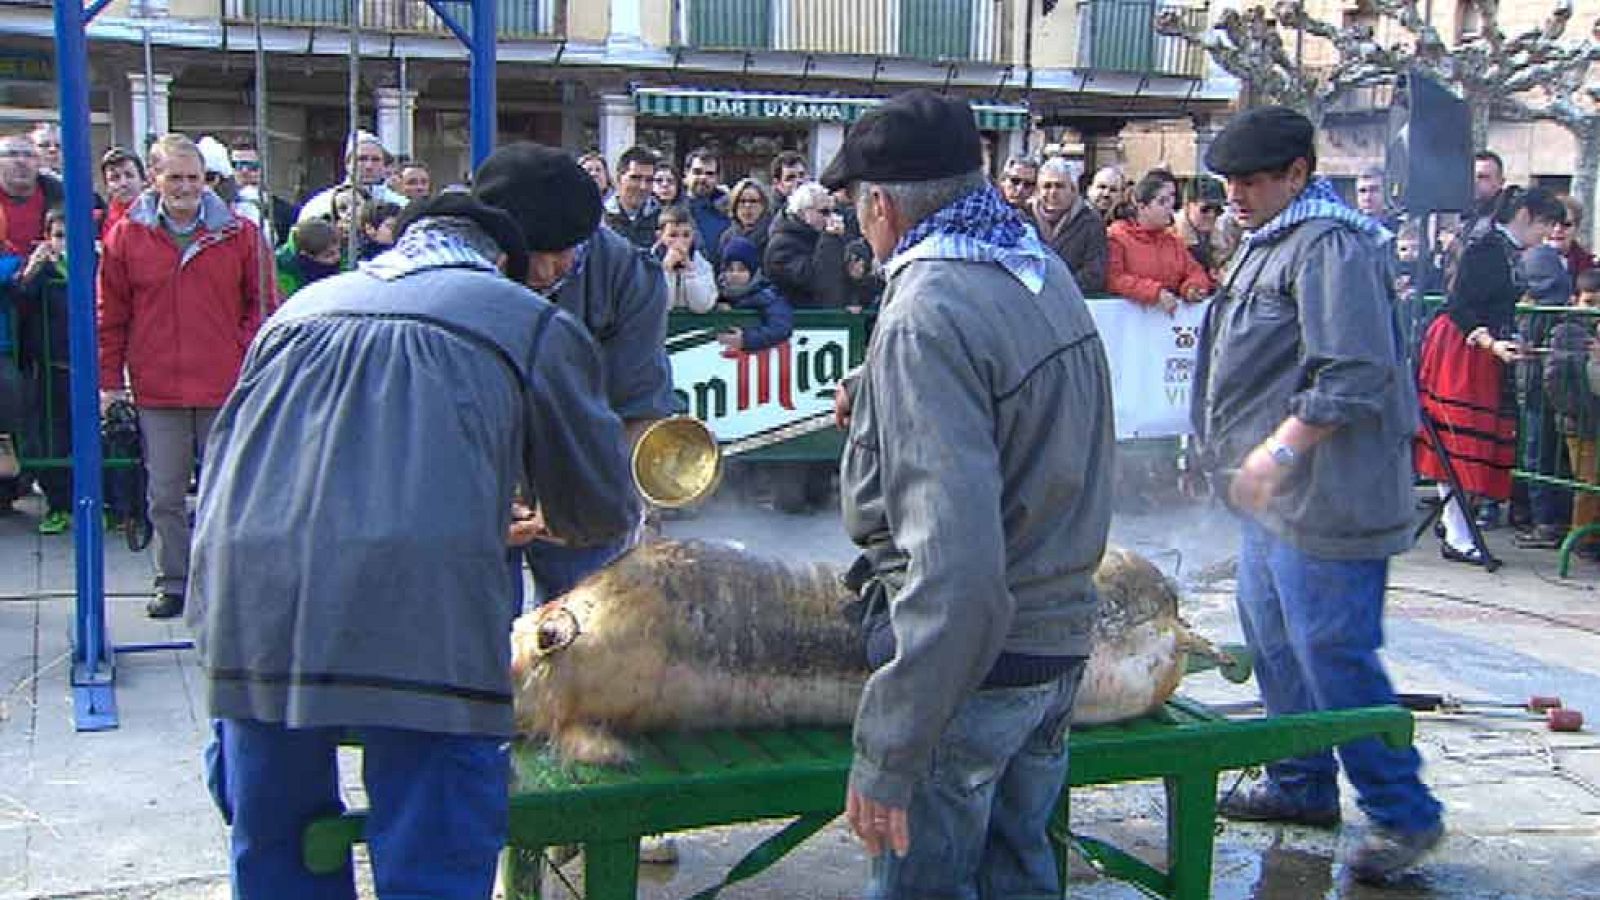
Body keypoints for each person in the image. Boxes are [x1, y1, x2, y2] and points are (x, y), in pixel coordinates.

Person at [188, 179, 638, 899]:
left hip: (248, 593)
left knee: (275, 838)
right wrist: (545, 516)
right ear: (506, 263)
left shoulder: (300, 307)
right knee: (433, 845)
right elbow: (600, 506)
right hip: (419, 608)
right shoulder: (526, 320)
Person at [822, 88, 1114, 898]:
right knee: (1018, 876)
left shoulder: (927, 309)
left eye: (856, 207)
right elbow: (1016, 403)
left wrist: (890, 749)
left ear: (880, 205)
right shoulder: (1034, 269)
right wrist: (879, 385)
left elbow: (955, 570)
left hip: (976, 669)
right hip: (1055, 644)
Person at [1194, 105, 1444, 884]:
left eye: (1250, 179)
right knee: (1273, 641)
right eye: (1228, 180)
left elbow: (1353, 371)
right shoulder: (1271, 240)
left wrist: (1277, 451)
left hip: (1328, 496)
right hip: (1277, 503)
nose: (1234, 193)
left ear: (1298, 174)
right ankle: (1301, 783)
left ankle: (1404, 815)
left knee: (1333, 653)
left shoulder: (1331, 245)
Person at [481, 144, 675, 601]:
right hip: (483, 469)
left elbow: (639, 405)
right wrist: (480, 498)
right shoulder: (463, 273)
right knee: (482, 634)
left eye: (572, 250)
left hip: (583, 465)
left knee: (589, 626)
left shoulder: (628, 272)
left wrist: (583, 497)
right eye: (542, 253)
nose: (559, 267)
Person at [97, 133, 276, 620]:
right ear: (154, 178)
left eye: (194, 178)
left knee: (229, 491)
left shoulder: (240, 234)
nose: (185, 187)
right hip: (157, 387)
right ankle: (172, 580)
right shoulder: (126, 236)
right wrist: (111, 383)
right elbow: (110, 314)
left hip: (223, 386)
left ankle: (224, 581)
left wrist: (241, 358)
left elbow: (262, 307)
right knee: (165, 494)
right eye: (174, 177)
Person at [1416, 186, 1567, 562]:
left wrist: (1507, 340)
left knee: (1475, 441)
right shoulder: (1487, 247)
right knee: (1460, 440)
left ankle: (1458, 527)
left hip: (1478, 348)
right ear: (1526, 216)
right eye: (1544, 226)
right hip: (1461, 347)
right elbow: (1462, 305)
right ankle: (1457, 530)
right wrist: (1490, 343)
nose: (1545, 237)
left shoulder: (1503, 250)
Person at [0, 132, 63, 510]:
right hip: (9, 313)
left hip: (46, 313)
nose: (21, 162)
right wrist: (16, 270)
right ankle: (9, 485)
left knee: (45, 400)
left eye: (27, 154)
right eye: (11, 155)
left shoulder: (58, 194)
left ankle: (45, 480)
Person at [1515, 200, 1577, 550]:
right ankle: (1545, 518)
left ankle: (1546, 522)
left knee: (1541, 450)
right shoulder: (1544, 260)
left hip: (1544, 372)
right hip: (1542, 371)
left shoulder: (1539, 260)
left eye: (1564, 225)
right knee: (1541, 449)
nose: (1556, 231)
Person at [1544, 268, 1600, 560]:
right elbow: (1555, 380)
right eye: (1589, 302)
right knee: (1587, 482)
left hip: (1589, 417)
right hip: (1580, 420)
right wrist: (1574, 412)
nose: (1595, 310)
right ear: (1576, 300)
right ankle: (1584, 537)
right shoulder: (1567, 332)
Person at [1106, 170, 1213, 314]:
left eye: (1171, 201)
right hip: (1128, 324)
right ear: (1142, 207)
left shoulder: (1173, 241)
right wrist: (1155, 292)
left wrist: (1192, 288)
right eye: (1162, 202)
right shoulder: (1117, 236)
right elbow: (1114, 278)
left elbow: (1195, 271)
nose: (1170, 207)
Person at [1027, 156, 1106, 294]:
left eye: (1059, 186)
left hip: (1072, 300)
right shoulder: (1022, 219)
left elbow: (1094, 274)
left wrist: (1055, 290)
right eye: (1047, 186)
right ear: (1038, 190)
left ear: (1074, 190)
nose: (1053, 192)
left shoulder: (1091, 222)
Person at [764, 180, 846, 308]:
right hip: (798, 321)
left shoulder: (823, 236)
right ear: (803, 212)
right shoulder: (781, 245)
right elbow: (815, 280)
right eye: (824, 212)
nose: (831, 217)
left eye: (833, 211)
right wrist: (830, 238)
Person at [297, 132, 409, 223]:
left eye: (375, 160)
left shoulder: (400, 204)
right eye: (362, 159)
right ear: (347, 163)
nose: (369, 166)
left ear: (384, 165)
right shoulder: (320, 205)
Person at [714, 236, 793, 352]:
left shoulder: (767, 295)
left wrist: (746, 340)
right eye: (730, 269)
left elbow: (781, 327)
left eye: (741, 269)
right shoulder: (715, 294)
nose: (735, 274)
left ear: (753, 272)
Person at [229, 140, 296, 245]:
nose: (244, 171)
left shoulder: (284, 211)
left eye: (252, 166)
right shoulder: (222, 207)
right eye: (236, 165)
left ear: (263, 167)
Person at [654, 205, 717, 313]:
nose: (680, 241)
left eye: (686, 235)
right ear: (660, 236)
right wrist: (666, 271)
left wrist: (690, 273)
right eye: (673, 235)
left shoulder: (702, 265)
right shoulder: (647, 263)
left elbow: (702, 306)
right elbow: (660, 306)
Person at [1173, 175, 1238, 279]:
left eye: (1218, 210)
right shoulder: (1170, 235)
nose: (1212, 215)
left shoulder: (1224, 235)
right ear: (1187, 205)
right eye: (1205, 209)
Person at [603, 145, 662, 249]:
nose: (643, 186)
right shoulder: (599, 219)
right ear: (618, 178)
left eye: (649, 180)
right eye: (635, 178)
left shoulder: (664, 218)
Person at [683, 147, 731, 266]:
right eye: (697, 172)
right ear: (686, 173)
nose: (703, 178)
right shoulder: (671, 209)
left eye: (709, 174)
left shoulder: (728, 213)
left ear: (717, 178)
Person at [276, 219, 344, 297]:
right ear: (306, 255)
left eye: (339, 250)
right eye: (328, 255)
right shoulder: (284, 272)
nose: (338, 257)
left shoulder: (344, 257)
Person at [719, 177, 773, 263]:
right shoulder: (727, 237)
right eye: (742, 201)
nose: (747, 206)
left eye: (753, 201)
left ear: (763, 205)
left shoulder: (772, 235)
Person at [99, 147, 146, 240]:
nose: (123, 183)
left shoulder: (159, 218)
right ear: (107, 186)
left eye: (129, 175)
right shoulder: (97, 223)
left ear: (143, 180)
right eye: (115, 178)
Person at [1550, 195, 1596, 282]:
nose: (1557, 229)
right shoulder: (1521, 263)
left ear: (1577, 229)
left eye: (1566, 224)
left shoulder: (1591, 268)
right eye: (1552, 223)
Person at [1355, 165, 1401, 232]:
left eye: (1374, 190)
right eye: (1362, 191)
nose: (1367, 197)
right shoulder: (1345, 230)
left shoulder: (1399, 228)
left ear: (1385, 193)